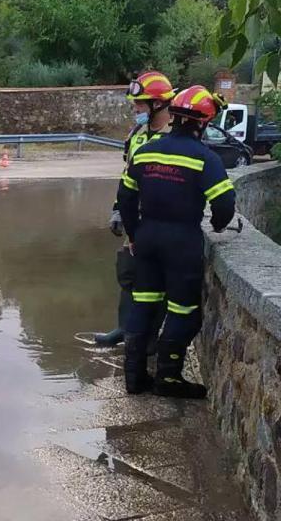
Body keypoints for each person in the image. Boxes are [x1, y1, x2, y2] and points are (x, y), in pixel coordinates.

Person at [116, 85, 235, 398]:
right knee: (183, 311)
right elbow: (224, 205)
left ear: (176, 116)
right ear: (202, 123)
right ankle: (168, 380)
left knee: (142, 306)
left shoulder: (146, 150)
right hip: (182, 242)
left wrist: (133, 234)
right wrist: (220, 226)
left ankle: (134, 378)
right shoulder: (204, 158)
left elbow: (125, 197)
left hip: (146, 239)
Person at [95, 71, 175, 347]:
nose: (136, 109)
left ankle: (150, 340)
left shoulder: (176, 136)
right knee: (129, 273)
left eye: (140, 104)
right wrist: (119, 209)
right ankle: (124, 329)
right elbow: (127, 175)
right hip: (135, 218)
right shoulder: (137, 134)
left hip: (162, 220)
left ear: (159, 104)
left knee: (157, 283)